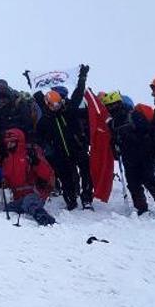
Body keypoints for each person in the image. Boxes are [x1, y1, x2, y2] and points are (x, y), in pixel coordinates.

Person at [32, 65, 92, 210]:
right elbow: (38, 137)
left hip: (78, 147)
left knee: (86, 174)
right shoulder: (45, 120)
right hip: (60, 154)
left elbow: (78, 93)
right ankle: (71, 201)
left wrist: (82, 77)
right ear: (47, 104)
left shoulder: (69, 111)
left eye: (58, 104)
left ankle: (87, 199)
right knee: (66, 178)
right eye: (53, 105)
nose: (56, 107)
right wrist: (44, 149)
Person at [103, 91, 155, 215]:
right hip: (129, 157)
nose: (110, 108)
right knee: (133, 184)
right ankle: (141, 208)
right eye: (108, 106)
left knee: (149, 180)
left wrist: (133, 137)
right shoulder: (112, 122)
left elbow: (148, 132)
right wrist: (115, 151)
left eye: (112, 105)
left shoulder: (134, 115)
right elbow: (113, 139)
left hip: (145, 155)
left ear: (119, 103)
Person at [1, 129, 57, 226]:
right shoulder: (7, 159)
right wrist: (3, 182)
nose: (9, 145)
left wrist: (37, 163)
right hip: (19, 197)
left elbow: (49, 174)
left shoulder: (31, 155)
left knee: (30, 202)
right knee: (8, 208)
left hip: (36, 193)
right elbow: (7, 178)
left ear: (19, 142)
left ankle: (44, 218)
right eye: (8, 142)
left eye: (12, 142)